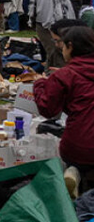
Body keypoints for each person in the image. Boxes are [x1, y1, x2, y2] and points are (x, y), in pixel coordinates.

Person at [35, 26, 94, 194]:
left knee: (77, 150)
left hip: (80, 146)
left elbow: (47, 109)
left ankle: (75, 172)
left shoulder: (65, 76)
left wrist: (40, 84)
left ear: (70, 47)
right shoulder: (66, 74)